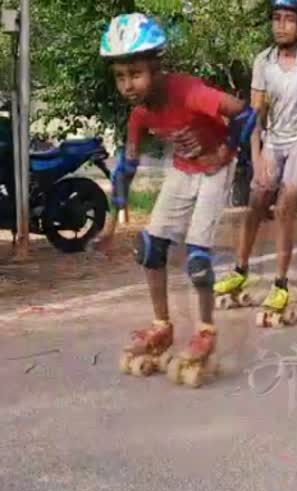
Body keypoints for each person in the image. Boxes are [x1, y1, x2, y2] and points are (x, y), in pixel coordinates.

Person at [97, 13, 257, 377]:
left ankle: (205, 330)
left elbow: (245, 113)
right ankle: (162, 325)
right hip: (184, 169)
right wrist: (109, 226)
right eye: (120, 76)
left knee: (196, 257)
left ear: (155, 67)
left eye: (135, 73)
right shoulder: (140, 114)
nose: (128, 84)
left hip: (215, 170)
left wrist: (227, 150)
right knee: (150, 248)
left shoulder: (188, 92)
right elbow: (127, 168)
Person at [215, 0, 297, 316]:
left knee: (286, 202)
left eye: (289, 19)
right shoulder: (263, 61)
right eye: (276, 19)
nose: (281, 26)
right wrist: (257, 158)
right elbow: (255, 117)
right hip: (274, 140)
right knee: (257, 200)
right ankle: (240, 271)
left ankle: (280, 284)